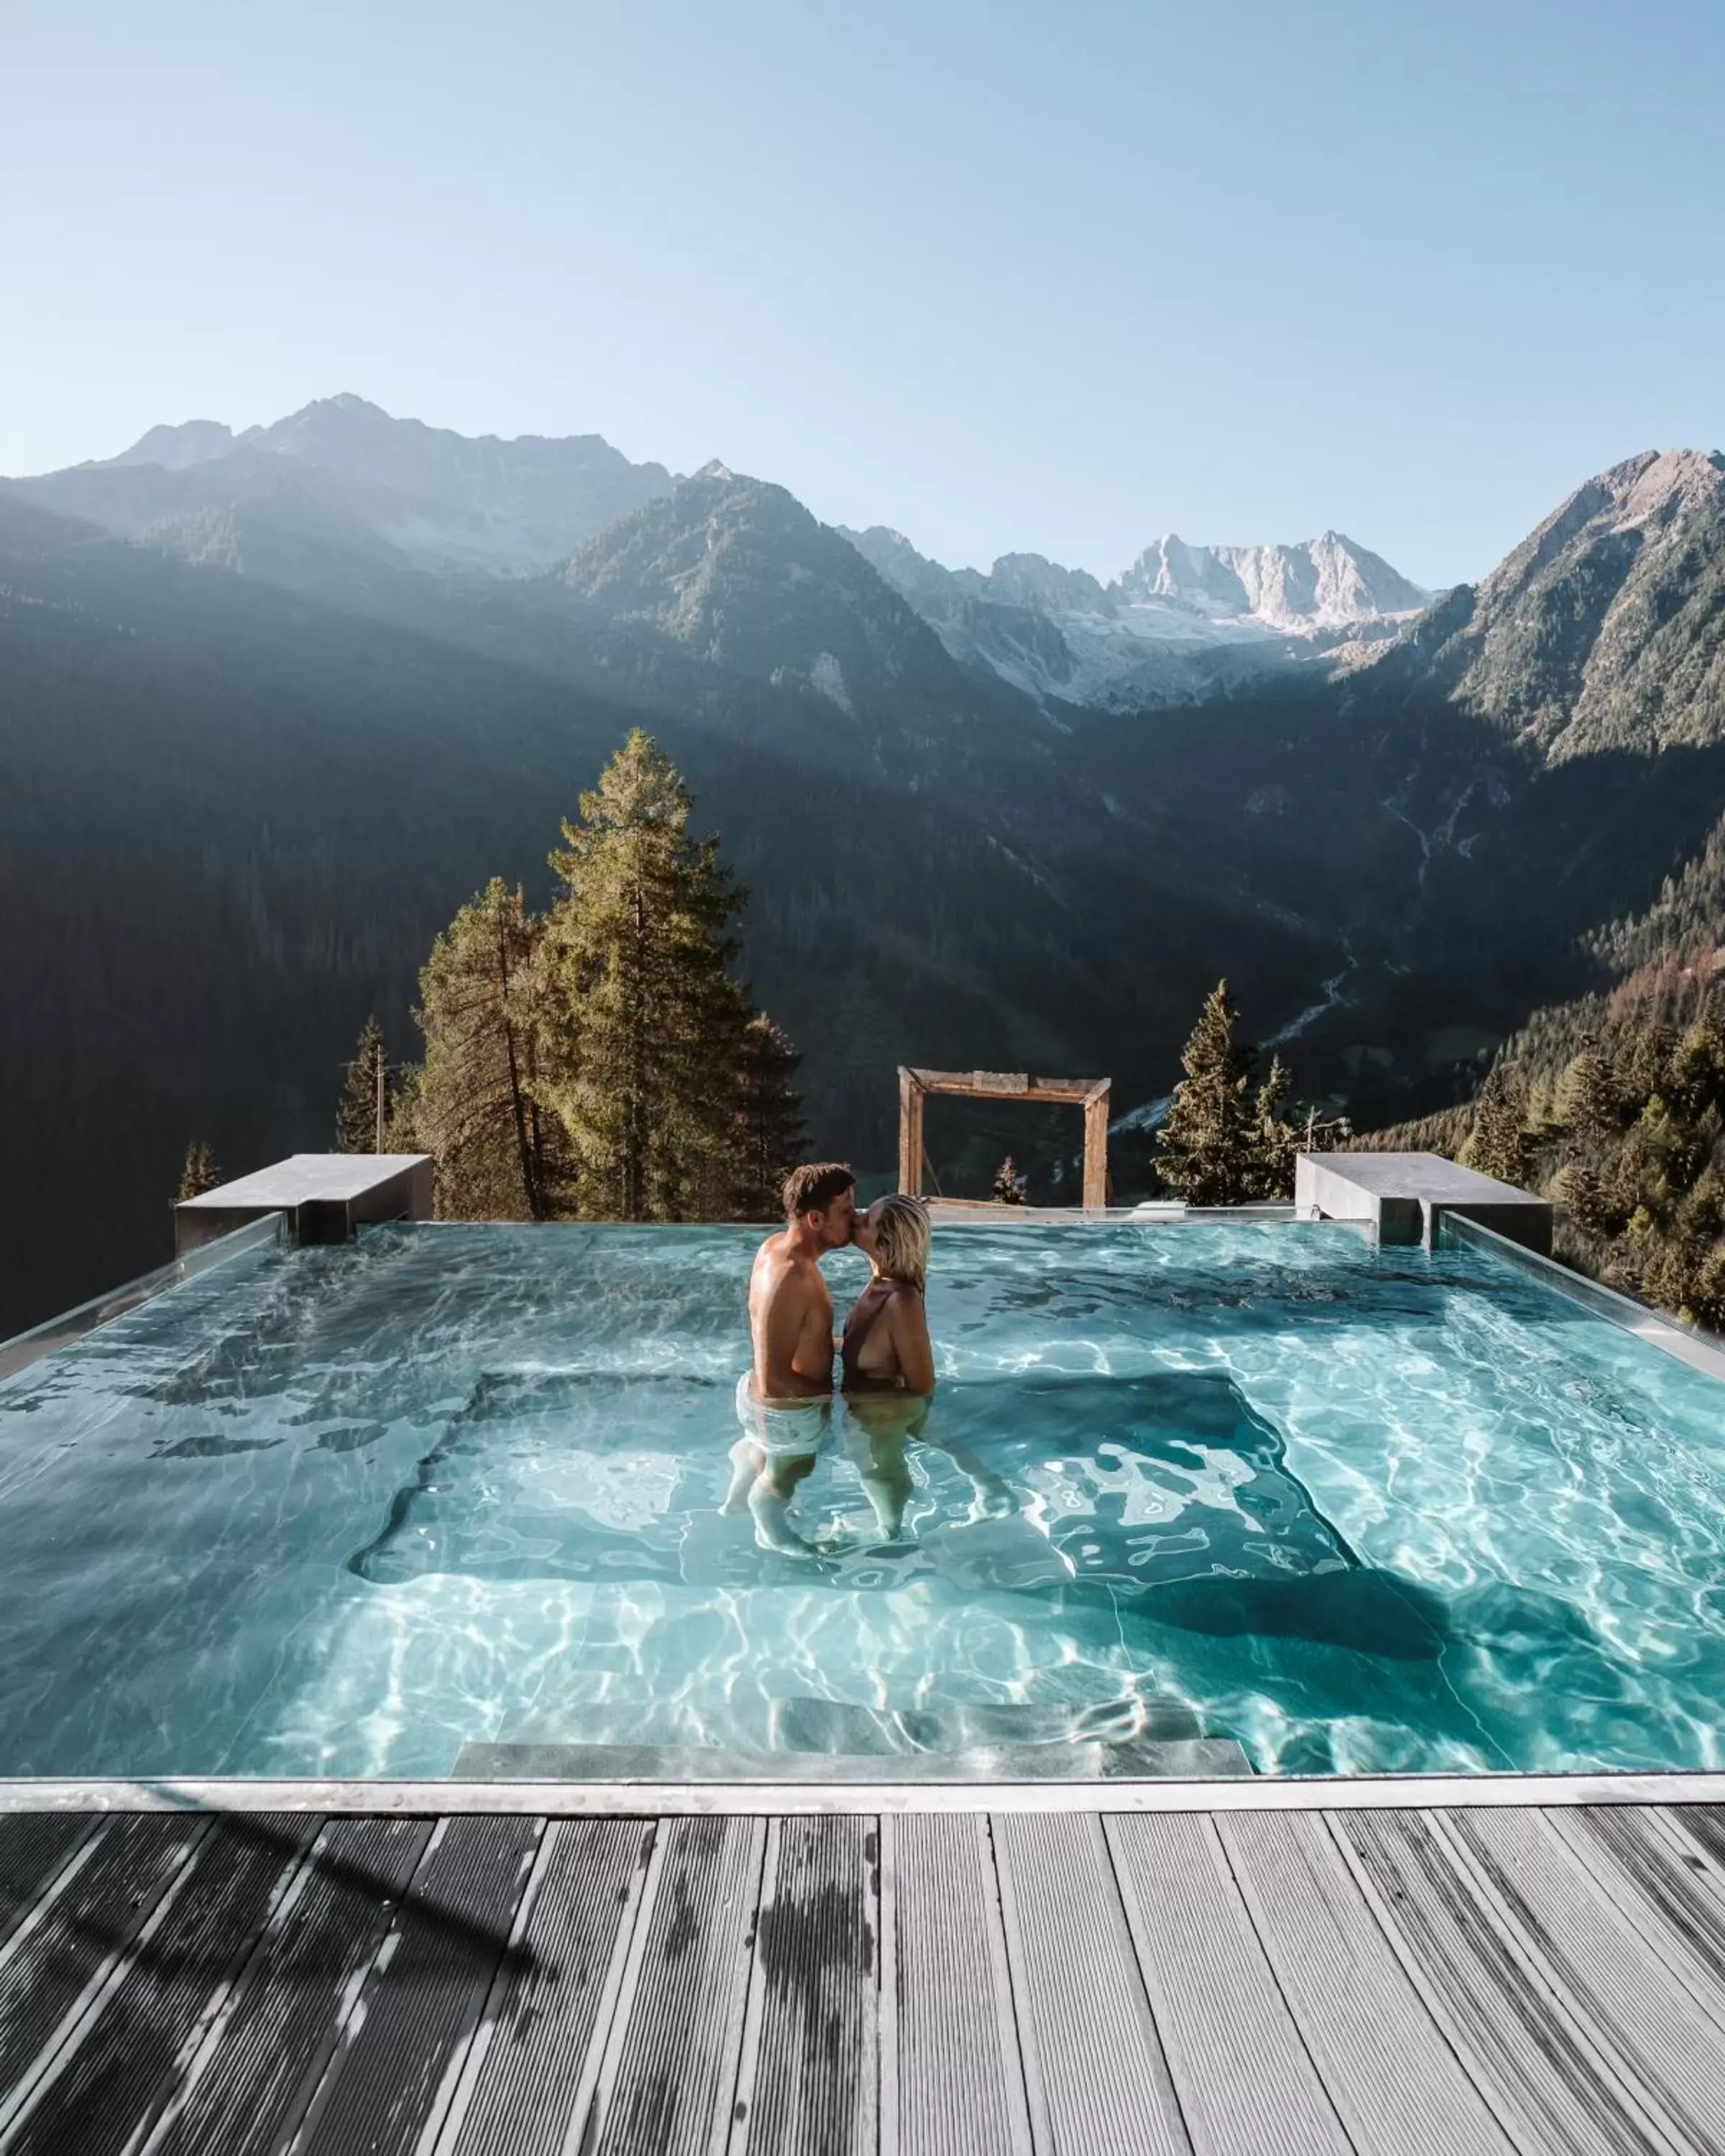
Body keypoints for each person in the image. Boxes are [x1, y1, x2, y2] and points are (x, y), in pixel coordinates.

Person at [727, 1161, 857, 1552]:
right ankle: (771, 1527)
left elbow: (793, 1335)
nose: (856, 1219)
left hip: (762, 1400)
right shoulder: (790, 1276)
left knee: (763, 1452)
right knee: (795, 1469)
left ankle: (736, 1496)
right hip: (785, 1407)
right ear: (816, 1218)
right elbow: (775, 1381)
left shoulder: (777, 1249)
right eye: (847, 1212)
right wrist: (830, 1399)